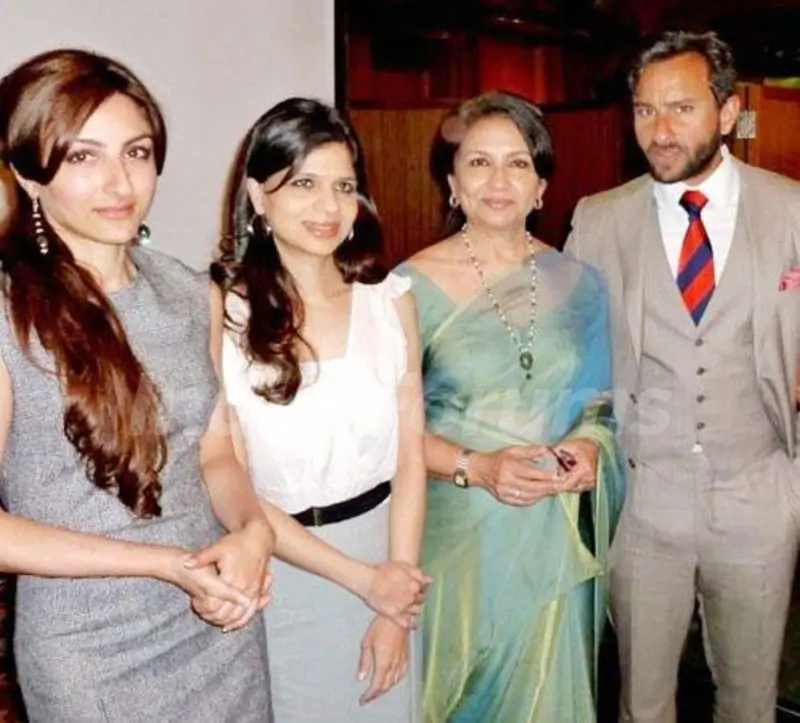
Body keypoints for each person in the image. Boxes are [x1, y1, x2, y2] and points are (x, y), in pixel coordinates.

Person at [0, 49, 274, 721]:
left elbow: (215, 452)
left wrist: (252, 531)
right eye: (83, 157)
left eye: (138, 151)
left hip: (217, 624)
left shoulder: (188, 291)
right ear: (30, 176)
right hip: (89, 647)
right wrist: (159, 562)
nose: (120, 182)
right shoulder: (7, 312)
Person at [564, 30, 800, 723]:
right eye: (643, 111)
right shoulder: (599, 218)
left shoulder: (792, 209)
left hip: (757, 491)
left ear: (726, 112)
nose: (658, 131)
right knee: (641, 701)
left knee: (751, 699)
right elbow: (574, 357)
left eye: (680, 108)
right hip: (644, 499)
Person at [397, 90, 626, 722]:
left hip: (550, 539)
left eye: (518, 164)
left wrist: (588, 448)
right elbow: (388, 433)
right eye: (478, 163)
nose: (498, 181)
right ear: (452, 182)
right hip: (456, 540)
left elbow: (599, 404)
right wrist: (481, 467)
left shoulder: (581, 285)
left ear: (542, 188)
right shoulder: (404, 289)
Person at [211, 97, 429, 722]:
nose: (329, 208)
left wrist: (396, 590)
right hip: (283, 568)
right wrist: (363, 582)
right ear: (259, 196)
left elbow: (411, 459)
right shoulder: (227, 315)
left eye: (344, 187)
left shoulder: (390, 302)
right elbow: (239, 487)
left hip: (389, 554)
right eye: (304, 184)